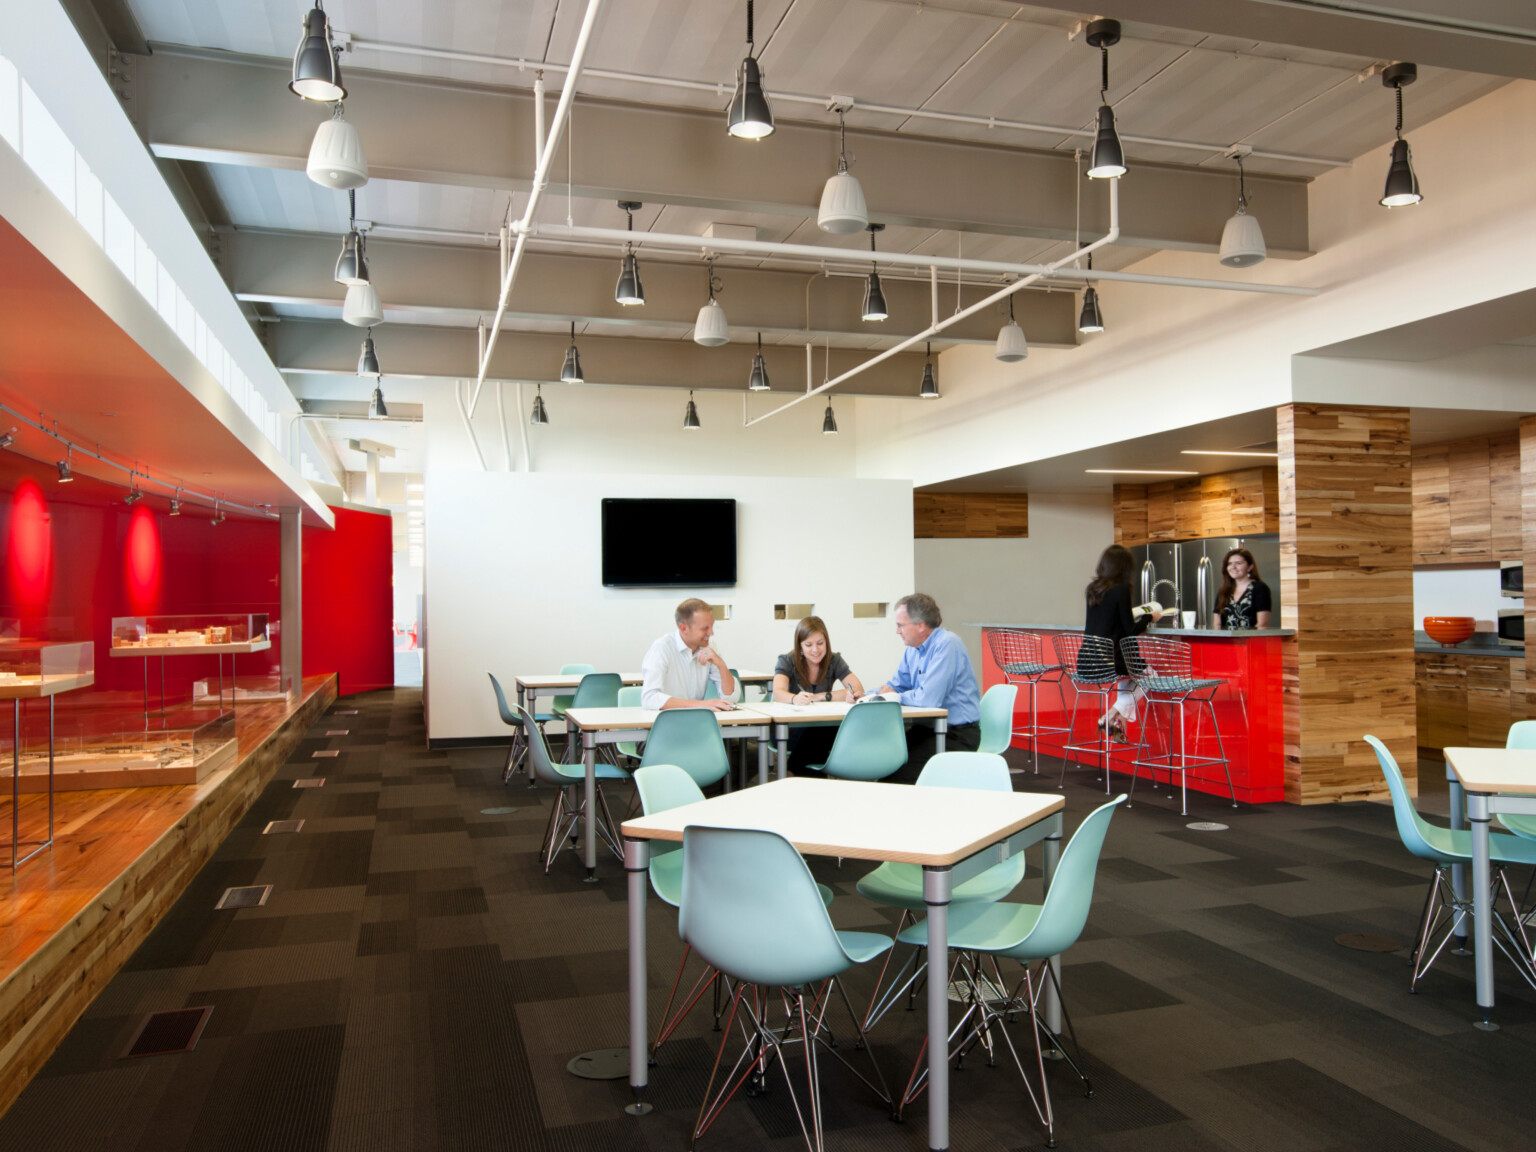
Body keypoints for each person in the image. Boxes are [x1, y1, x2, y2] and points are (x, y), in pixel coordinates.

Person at [873, 593, 981, 782]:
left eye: (900, 625)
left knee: (894, 779)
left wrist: (896, 696)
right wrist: (867, 695)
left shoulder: (947, 644)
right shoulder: (912, 649)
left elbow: (928, 700)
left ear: (921, 625)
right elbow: (895, 686)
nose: (897, 631)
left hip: (956, 734)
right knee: (879, 765)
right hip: (925, 730)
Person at [1083, 544, 1161, 741]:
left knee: (1128, 674)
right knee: (1151, 675)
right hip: (1111, 660)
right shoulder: (1121, 590)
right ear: (1125, 568)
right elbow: (1130, 630)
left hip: (1087, 661)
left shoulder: (1093, 589)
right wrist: (1150, 617)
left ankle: (1117, 722)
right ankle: (1109, 716)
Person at [772, 616, 865, 774]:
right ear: (800, 646)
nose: (815, 650)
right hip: (790, 729)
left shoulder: (834, 660)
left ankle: (792, 772)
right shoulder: (787, 661)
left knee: (827, 728)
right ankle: (799, 775)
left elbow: (857, 689)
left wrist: (822, 696)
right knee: (823, 731)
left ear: (826, 642)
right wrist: (794, 698)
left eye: (820, 643)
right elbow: (778, 693)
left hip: (820, 728)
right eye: (808, 645)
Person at [640, 598, 738, 711]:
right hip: (666, 723)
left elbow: (731, 698)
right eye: (705, 628)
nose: (711, 632)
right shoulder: (662, 648)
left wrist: (721, 665)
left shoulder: (710, 647)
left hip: (695, 722)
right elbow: (650, 698)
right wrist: (700, 704)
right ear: (683, 628)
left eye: (712, 626)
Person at [1214, 548, 1272, 629]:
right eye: (1229, 563)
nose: (1233, 567)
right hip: (1226, 641)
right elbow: (1217, 624)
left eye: (1238, 563)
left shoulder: (1260, 588)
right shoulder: (1223, 591)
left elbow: (1262, 625)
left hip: (1251, 640)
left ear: (1250, 567)